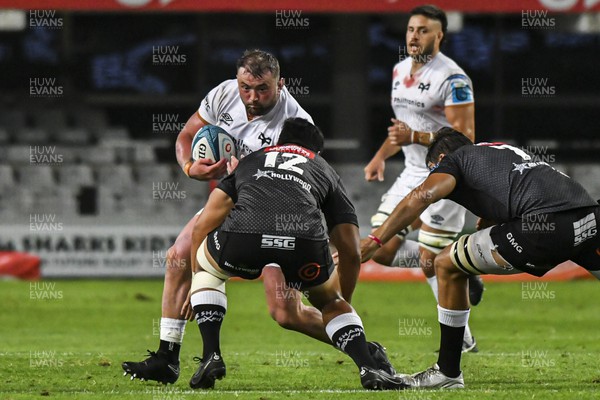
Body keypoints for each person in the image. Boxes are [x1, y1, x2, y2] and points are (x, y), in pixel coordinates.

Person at [122, 49, 393, 384]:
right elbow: (187, 136)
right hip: (234, 198)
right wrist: (190, 167)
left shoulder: (296, 123)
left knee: (285, 313)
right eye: (245, 88)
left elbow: (303, 183)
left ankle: (366, 351)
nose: (252, 97)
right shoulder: (223, 93)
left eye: (262, 89)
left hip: (275, 211)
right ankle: (167, 356)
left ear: (282, 84)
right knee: (177, 256)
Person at [361, 128, 600, 389]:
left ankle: (447, 373)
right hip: (587, 217)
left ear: (441, 158)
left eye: (432, 168)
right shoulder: (501, 149)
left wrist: (376, 240)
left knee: (445, 264)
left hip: (540, 229)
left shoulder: (453, 160)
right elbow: (527, 187)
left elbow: (423, 195)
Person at [187, 118, 406, 390]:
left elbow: (202, 225)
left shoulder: (252, 159)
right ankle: (369, 368)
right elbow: (350, 249)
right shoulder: (323, 168)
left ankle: (211, 355)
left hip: (244, 239)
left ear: (279, 142)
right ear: (316, 151)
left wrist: (196, 283)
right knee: (331, 303)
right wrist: (338, 304)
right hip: (303, 243)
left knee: (208, 270)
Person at [363, 4, 481, 352]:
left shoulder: (454, 79)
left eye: (424, 30)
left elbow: (465, 138)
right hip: (411, 172)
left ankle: (464, 339)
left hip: (447, 172)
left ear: (439, 35)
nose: (415, 36)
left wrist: (414, 138)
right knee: (381, 251)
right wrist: (380, 156)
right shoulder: (400, 70)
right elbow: (401, 127)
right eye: (412, 29)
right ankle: (458, 263)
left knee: (432, 261)